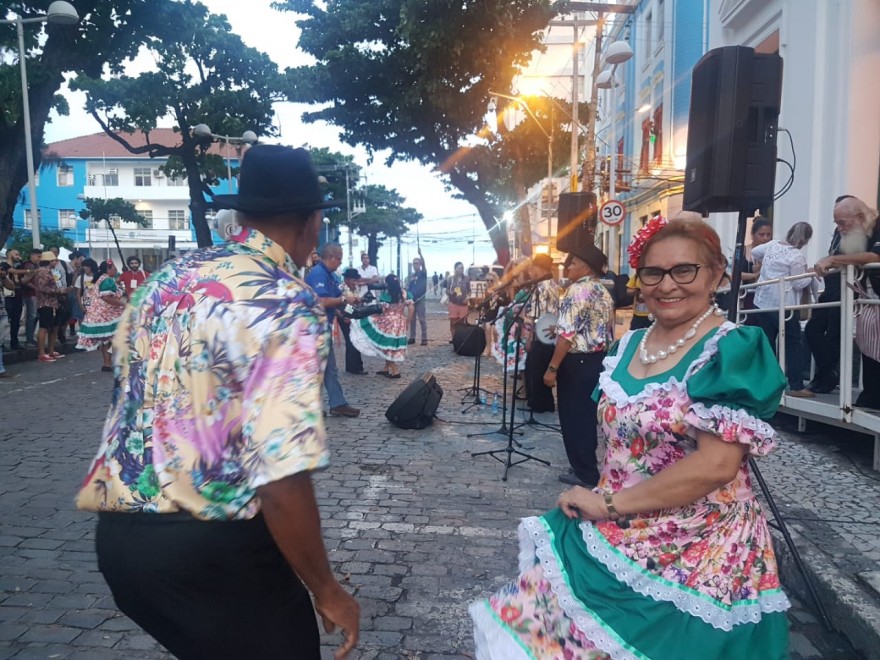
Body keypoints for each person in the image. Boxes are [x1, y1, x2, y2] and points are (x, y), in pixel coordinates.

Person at [75, 144, 360, 660]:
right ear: (313, 222)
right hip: (211, 547)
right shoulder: (284, 299)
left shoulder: (168, 280)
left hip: (121, 542)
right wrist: (326, 588)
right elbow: (279, 470)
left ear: (243, 213)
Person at [471, 219, 790, 659]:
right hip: (618, 523)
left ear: (716, 273)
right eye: (653, 272)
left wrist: (608, 505)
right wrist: (605, 501)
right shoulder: (630, 343)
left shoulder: (731, 348)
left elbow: (717, 465)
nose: (667, 285)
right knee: (539, 631)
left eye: (684, 270)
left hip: (699, 545)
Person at [542, 245, 614, 488]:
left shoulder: (576, 291)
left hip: (578, 361)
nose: (568, 267)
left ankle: (584, 472)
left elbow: (567, 335)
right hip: (597, 359)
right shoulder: (602, 291)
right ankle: (585, 465)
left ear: (584, 265)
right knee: (586, 415)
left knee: (573, 417)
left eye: (571, 263)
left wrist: (552, 368)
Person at [807, 195, 880, 395]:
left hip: (865, 293)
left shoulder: (877, 224)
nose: (839, 227)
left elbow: (875, 256)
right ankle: (831, 376)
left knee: (863, 341)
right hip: (848, 291)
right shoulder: (849, 232)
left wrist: (833, 259)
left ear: (858, 216)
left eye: (842, 222)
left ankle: (832, 379)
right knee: (815, 330)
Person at [751, 222, 817, 397]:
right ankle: (795, 386)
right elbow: (799, 283)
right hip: (784, 305)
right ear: (806, 240)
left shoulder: (773, 245)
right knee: (793, 343)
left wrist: (763, 266)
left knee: (768, 343)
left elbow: (754, 252)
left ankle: (767, 383)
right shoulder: (797, 257)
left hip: (762, 301)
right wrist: (810, 274)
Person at [306, 242, 361, 418]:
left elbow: (329, 302)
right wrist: (344, 300)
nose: (339, 264)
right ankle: (317, 405)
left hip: (322, 326)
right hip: (315, 328)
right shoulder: (319, 275)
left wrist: (339, 312)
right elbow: (320, 302)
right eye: (339, 260)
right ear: (332, 258)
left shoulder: (327, 274)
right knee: (319, 369)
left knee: (329, 368)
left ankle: (336, 403)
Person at [350, 273, 412, 378]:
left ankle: (395, 370)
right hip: (400, 321)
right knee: (391, 345)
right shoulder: (405, 293)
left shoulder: (386, 294)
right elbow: (411, 308)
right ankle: (386, 368)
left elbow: (383, 309)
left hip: (388, 322)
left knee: (386, 346)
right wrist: (407, 322)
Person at [523, 254, 559, 413]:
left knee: (535, 370)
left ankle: (537, 404)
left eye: (533, 268)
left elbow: (535, 315)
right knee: (543, 367)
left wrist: (530, 337)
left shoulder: (539, 288)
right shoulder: (554, 285)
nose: (531, 271)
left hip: (540, 334)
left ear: (539, 269)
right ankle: (547, 403)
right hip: (551, 334)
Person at [76, 259, 126, 372]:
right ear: (109, 269)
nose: (116, 270)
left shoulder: (99, 279)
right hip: (107, 314)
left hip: (98, 312)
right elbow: (107, 297)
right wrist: (123, 304)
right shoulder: (107, 280)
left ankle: (107, 364)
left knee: (106, 339)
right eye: (114, 268)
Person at [31, 251, 68, 363]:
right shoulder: (42, 272)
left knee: (54, 326)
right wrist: (58, 291)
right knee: (44, 327)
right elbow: (42, 288)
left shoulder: (51, 272)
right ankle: (41, 353)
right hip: (45, 303)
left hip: (54, 303)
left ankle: (51, 350)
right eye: (54, 260)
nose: (56, 262)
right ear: (49, 261)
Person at [338, 267, 366, 375]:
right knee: (351, 340)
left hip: (353, 315)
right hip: (343, 315)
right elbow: (341, 304)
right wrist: (344, 316)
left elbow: (355, 302)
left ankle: (352, 366)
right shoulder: (341, 288)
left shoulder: (355, 288)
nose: (355, 282)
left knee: (354, 339)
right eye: (354, 280)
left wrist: (359, 301)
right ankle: (355, 367)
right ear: (347, 279)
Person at [2, 249, 26, 350]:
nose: (18, 256)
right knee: (6, 320)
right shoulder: (4, 265)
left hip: (17, 295)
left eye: (19, 254)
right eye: (16, 254)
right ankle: (2, 342)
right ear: (9, 254)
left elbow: (22, 280)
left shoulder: (19, 266)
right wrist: (29, 270)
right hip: (7, 297)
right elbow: (11, 272)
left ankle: (14, 342)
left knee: (16, 321)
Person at [406, 248, 428, 345]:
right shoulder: (411, 276)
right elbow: (409, 288)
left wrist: (421, 254)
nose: (415, 265)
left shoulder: (423, 273)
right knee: (412, 320)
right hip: (412, 300)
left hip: (420, 299)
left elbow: (424, 264)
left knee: (422, 320)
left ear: (420, 264)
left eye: (417, 263)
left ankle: (424, 338)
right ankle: (412, 337)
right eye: (414, 263)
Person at [446, 262, 470, 342]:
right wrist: (451, 292)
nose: (461, 270)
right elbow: (447, 290)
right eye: (459, 268)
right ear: (455, 269)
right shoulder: (451, 279)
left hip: (463, 304)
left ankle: (461, 339)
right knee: (453, 322)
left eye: (462, 268)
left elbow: (469, 291)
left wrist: (467, 298)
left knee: (462, 323)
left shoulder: (466, 278)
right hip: (453, 303)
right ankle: (454, 339)